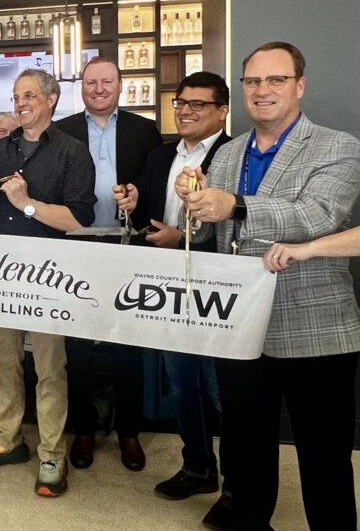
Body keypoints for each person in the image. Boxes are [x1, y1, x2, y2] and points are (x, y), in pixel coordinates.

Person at [176, 42, 360, 531]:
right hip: (239, 327)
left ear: (299, 85)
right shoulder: (228, 151)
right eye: (253, 81)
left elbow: (317, 215)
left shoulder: (337, 146)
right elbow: (207, 233)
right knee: (245, 453)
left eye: (276, 79)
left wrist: (233, 204)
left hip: (314, 328)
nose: (263, 90)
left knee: (324, 461)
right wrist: (192, 203)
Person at [0, 69, 96, 498]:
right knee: (2, 361)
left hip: (49, 276)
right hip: (0, 273)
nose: (20, 103)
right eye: (17, 96)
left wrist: (27, 204)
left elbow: (78, 218)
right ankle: (6, 438)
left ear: (52, 99)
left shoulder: (73, 152)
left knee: (50, 368)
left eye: (30, 95)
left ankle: (52, 453)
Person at [113, 71, 234, 529]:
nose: (184, 111)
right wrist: (133, 202)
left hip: (217, 288)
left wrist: (181, 236)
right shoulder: (161, 154)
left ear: (222, 112)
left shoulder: (233, 154)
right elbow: (148, 214)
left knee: (222, 388)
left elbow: (239, 222)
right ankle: (198, 468)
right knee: (183, 382)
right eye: (180, 103)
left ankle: (238, 486)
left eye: (197, 104)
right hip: (167, 285)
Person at [55, 57, 161, 472]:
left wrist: (139, 198)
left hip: (127, 245)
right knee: (78, 344)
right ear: (81, 88)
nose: (99, 89)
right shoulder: (62, 131)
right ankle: (83, 429)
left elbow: (156, 188)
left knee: (127, 344)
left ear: (120, 86)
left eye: (107, 82)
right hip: (77, 245)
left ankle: (129, 432)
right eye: (91, 82)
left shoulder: (144, 130)